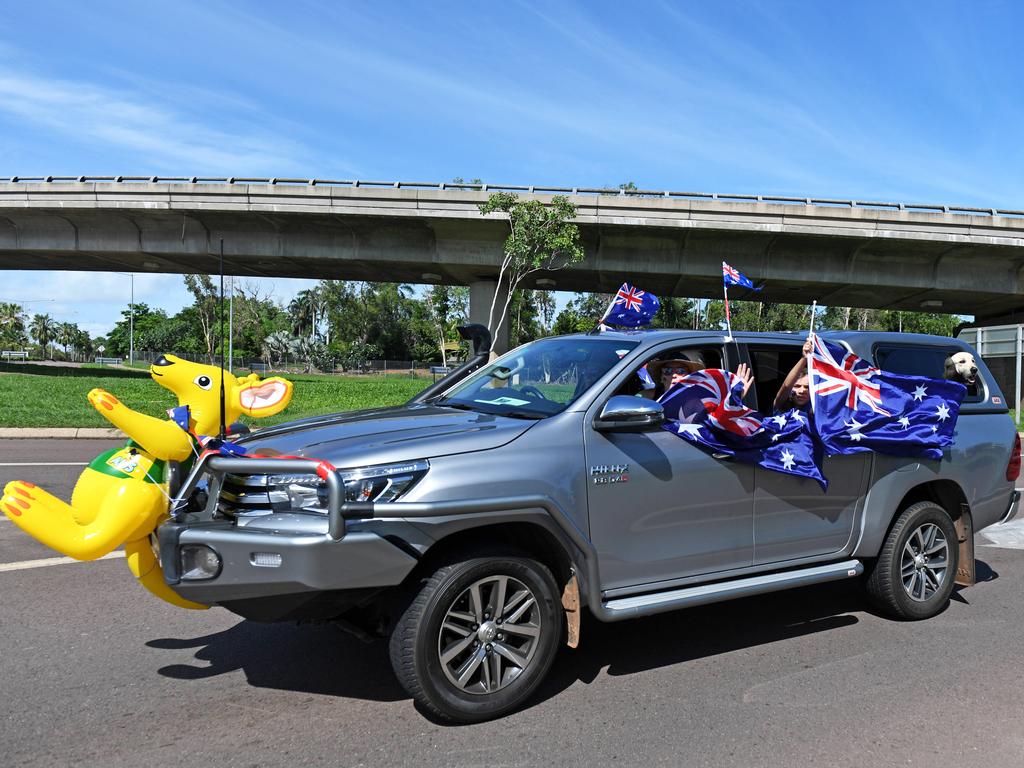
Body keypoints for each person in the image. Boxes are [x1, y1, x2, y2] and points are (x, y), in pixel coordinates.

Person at [773, 338, 813, 413]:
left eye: (807, 387)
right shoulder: (781, 406)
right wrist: (804, 357)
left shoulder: (817, 410)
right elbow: (786, 386)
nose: (802, 391)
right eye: (797, 386)